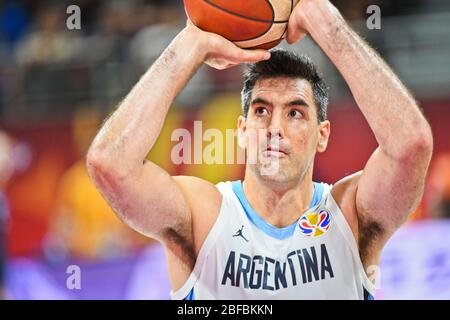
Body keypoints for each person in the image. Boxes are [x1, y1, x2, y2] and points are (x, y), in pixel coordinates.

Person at [86, 0, 433, 299]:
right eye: (262, 110)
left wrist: (328, 25)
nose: (275, 129)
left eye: (295, 112)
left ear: (322, 134)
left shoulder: (350, 215)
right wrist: (188, 45)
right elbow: (110, 165)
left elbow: (411, 146)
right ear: (242, 130)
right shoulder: (204, 215)